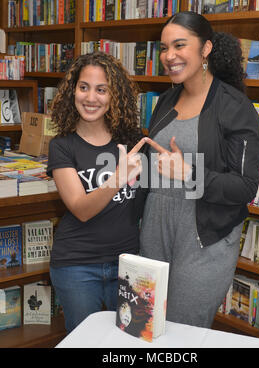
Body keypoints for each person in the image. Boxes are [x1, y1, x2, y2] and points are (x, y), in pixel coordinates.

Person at [139, 11, 259, 328]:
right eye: (164, 48)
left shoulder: (236, 108)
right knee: (144, 324)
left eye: (179, 45)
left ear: (205, 48)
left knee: (182, 329)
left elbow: (244, 187)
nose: (169, 56)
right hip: (155, 228)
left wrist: (190, 173)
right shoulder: (165, 100)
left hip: (204, 236)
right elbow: (160, 165)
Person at [46, 51, 146, 333]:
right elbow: (81, 208)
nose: (91, 98)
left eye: (101, 90)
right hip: (77, 266)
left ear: (115, 95)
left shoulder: (133, 141)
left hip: (128, 266)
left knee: (130, 342)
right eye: (84, 87)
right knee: (85, 341)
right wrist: (118, 177)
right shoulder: (62, 146)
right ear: (72, 91)